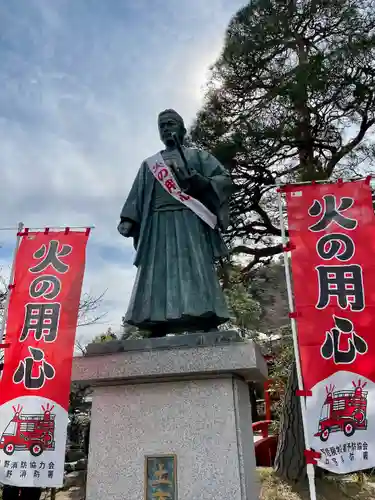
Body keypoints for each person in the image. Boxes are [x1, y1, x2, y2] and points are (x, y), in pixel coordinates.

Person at [118, 109, 235, 337]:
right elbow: (137, 195)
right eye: (162, 126)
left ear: (183, 129)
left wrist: (201, 182)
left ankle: (206, 314)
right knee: (156, 272)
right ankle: (153, 320)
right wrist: (128, 219)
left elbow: (224, 181)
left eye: (171, 124)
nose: (166, 129)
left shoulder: (198, 157)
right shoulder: (150, 165)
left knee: (195, 266)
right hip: (157, 225)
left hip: (189, 220)